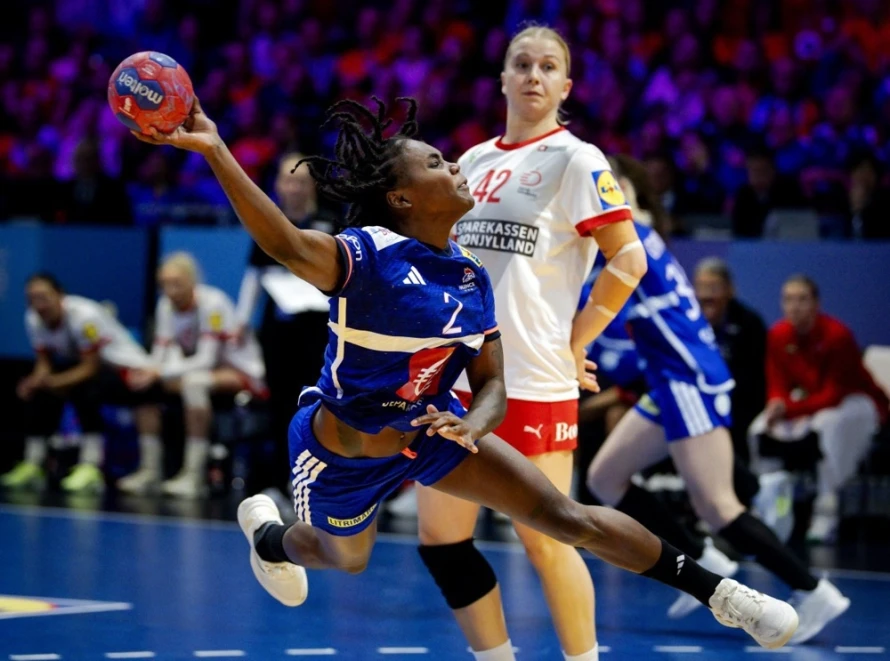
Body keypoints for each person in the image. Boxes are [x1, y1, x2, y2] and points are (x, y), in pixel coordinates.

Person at [130, 95, 799, 651]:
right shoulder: (367, 255)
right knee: (345, 558)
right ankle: (270, 536)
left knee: (566, 517)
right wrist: (215, 149)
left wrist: (472, 423)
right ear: (401, 197)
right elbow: (282, 241)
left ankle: (723, 594)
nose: (453, 164)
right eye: (434, 162)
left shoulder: (471, 276)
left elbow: (492, 383)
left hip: (430, 432)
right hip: (341, 452)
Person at [415, 26, 645, 661]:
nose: (534, 76)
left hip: (532, 378)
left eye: (548, 67)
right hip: (455, 380)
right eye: (522, 64)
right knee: (441, 539)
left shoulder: (577, 159)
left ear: (566, 86)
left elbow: (629, 261)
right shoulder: (472, 162)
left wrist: (576, 342)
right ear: (503, 79)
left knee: (548, 538)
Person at [584, 156, 849, 645]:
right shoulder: (632, 235)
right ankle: (703, 556)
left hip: (686, 378)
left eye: (604, 186)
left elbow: (588, 308)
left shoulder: (624, 239)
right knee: (604, 477)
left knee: (718, 506)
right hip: (670, 379)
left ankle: (814, 591)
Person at [748, 275, 890, 543]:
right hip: (808, 403)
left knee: (827, 427)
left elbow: (833, 394)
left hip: (859, 402)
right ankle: (770, 507)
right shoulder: (777, 334)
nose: (795, 307)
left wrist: (789, 410)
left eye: (802, 299)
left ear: (816, 304)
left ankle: (827, 510)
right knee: (759, 428)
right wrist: (776, 403)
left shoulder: (837, 335)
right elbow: (777, 383)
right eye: (788, 300)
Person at [118, 252, 267, 498]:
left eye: (176, 284)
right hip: (195, 371)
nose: (170, 291)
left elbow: (207, 359)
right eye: (164, 284)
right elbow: (160, 353)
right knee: (146, 388)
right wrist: (147, 372)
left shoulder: (213, 304)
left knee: (193, 384)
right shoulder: (165, 306)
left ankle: (194, 475)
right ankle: (150, 470)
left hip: (241, 372)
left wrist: (159, 372)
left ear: (192, 281)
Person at [235, 153, 338, 500]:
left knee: (317, 407)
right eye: (287, 180)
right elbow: (254, 276)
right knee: (280, 406)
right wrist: (241, 321)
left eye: (300, 181)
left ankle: (316, 483)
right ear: (278, 185)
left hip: (320, 332)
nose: (293, 187)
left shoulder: (330, 222)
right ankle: (281, 480)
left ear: (312, 186)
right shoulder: (268, 221)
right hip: (278, 332)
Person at [2, 273, 159, 493]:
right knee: (38, 391)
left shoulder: (84, 316)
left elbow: (90, 368)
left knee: (84, 388)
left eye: (43, 297)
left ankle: (91, 465)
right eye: (32, 299)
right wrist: (35, 382)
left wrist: (54, 382)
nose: (39, 305)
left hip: (124, 369)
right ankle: (34, 463)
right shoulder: (33, 318)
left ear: (60, 296)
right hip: (86, 368)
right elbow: (44, 363)